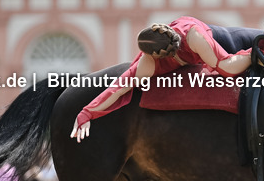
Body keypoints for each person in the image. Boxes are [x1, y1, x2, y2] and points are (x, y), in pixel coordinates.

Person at [71, 17, 254, 142]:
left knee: (256, 40)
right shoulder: (147, 64)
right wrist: (87, 113)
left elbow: (226, 66)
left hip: (212, 35)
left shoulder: (194, 36)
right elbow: (118, 88)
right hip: (195, 42)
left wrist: (257, 53)